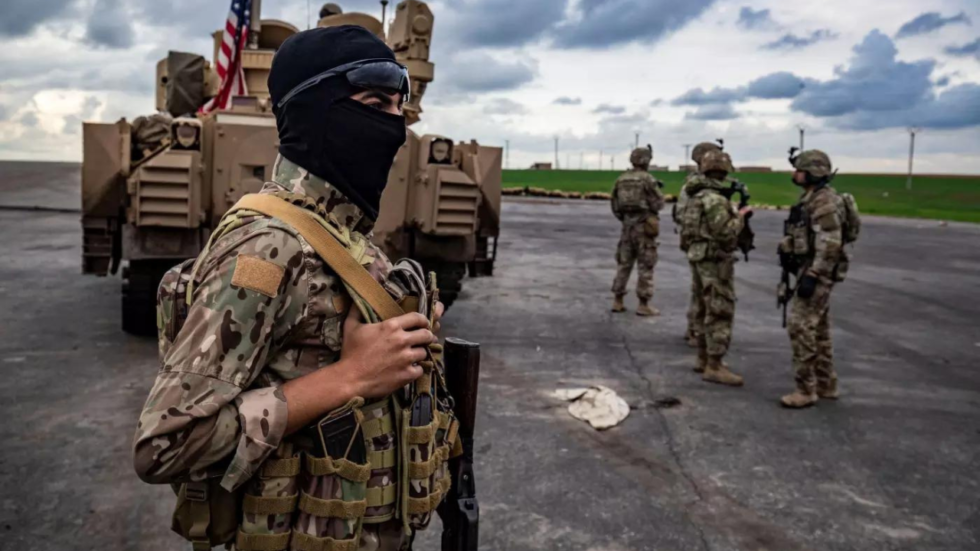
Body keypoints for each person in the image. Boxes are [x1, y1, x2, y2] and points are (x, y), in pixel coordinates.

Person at [134, 26, 450, 551]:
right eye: (375, 102)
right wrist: (349, 377)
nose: (395, 125)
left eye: (399, 106)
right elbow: (165, 445)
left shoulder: (346, 235)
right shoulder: (265, 250)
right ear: (316, 110)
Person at [780, 150, 855, 408]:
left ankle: (806, 389)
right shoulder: (813, 198)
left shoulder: (824, 202)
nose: (794, 174)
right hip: (811, 269)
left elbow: (830, 241)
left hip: (818, 274)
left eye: (799, 170)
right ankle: (826, 384)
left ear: (813, 172)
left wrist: (813, 274)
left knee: (800, 327)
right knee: (820, 330)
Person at [679, 150, 752, 386]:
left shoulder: (696, 196)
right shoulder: (715, 200)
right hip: (715, 259)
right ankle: (715, 365)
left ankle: (703, 358)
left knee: (702, 307)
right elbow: (725, 232)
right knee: (720, 310)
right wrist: (741, 216)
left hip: (699, 257)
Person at [674, 142, 722, 347]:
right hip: (704, 241)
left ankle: (694, 327)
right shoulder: (700, 185)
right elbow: (682, 213)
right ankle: (696, 329)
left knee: (699, 288)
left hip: (695, 240)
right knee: (704, 290)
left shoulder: (693, 183)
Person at [610, 145, 665, 316]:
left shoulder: (621, 179)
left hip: (627, 227)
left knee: (624, 264)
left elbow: (615, 205)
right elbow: (658, 203)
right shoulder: (648, 180)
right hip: (644, 227)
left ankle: (617, 301)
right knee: (646, 265)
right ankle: (643, 304)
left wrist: (627, 219)